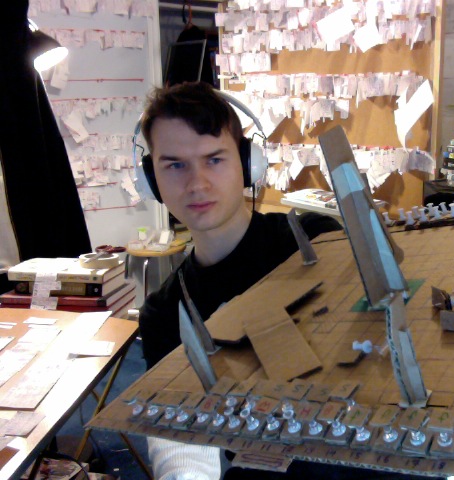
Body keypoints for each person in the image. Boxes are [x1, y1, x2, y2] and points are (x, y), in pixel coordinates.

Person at [137, 82, 430, 480]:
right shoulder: (165, 312)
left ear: (249, 164)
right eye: (174, 165)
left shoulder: (314, 238)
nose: (197, 183)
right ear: (150, 180)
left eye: (214, 160)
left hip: (371, 454)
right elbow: (178, 433)